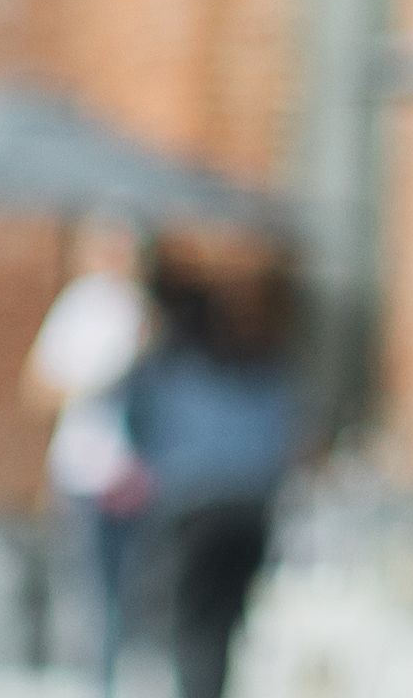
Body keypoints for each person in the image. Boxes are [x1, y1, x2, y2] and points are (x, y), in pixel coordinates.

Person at [122, 273, 298, 698]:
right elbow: (287, 441)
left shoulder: (169, 371)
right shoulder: (262, 369)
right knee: (223, 623)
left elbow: (136, 428)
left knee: (193, 624)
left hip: (196, 511)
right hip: (250, 510)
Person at [25, 211, 158, 686]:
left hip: (136, 472)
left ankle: (110, 678)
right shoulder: (81, 305)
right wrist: (99, 379)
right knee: (87, 585)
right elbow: (38, 387)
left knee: (127, 588)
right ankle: (89, 681)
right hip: (85, 468)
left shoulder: (143, 310)